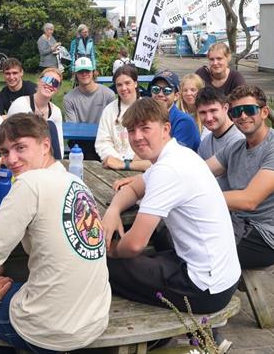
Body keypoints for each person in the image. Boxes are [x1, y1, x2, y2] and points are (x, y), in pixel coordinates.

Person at [0, 113, 111, 353]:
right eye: (4, 152)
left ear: (46, 145)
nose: (10, 159)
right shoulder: (77, 182)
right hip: (94, 320)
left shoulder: (29, 183)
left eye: (20, 147)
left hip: (50, 332)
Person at [102, 98, 240, 314]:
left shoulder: (168, 170)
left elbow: (135, 245)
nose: (137, 137)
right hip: (223, 276)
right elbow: (135, 188)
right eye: (131, 130)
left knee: (99, 263)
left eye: (145, 128)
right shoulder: (179, 155)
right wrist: (113, 210)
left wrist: (111, 252)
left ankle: (153, 337)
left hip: (204, 289)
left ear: (165, 128)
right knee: (155, 242)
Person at [206, 85, 274, 270]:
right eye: (236, 112)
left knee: (188, 250)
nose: (243, 116)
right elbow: (198, 171)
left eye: (249, 110)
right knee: (171, 234)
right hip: (235, 224)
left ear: (264, 112)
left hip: (263, 240)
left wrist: (193, 197)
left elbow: (249, 200)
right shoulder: (236, 148)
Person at [95, 64, 151, 172]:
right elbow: (103, 142)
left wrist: (134, 161)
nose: (123, 88)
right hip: (114, 166)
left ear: (135, 83)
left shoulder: (148, 108)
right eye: (119, 85)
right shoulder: (109, 110)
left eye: (127, 83)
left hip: (143, 166)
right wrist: (118, 161)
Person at [64, 57, 116, 160]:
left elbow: (112, 123)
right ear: (76, 75)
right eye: (80, 71)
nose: (84, 74)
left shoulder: (109, 94)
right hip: (79, 142)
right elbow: (73, 130)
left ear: (93, 72)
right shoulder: (69, 98)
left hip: (104, 138)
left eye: (87, 71)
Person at [7, 67, 65, 159]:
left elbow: (59, 145)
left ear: (57, 89)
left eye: (55, 83)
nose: (49, 84)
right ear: (39, 81)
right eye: (47, 79)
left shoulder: (56, 112)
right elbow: (10, 138)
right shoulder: (20, 104)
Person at [149, 70, 201, 152]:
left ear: (176, 96)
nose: (160, 94)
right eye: (156, 89)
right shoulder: (147, 116)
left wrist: (127, 165)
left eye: (167, 90)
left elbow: (173, 157)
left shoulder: (184, 122)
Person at [195, 86, 244, 162]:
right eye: (203, 112)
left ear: (225, 108)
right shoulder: (205, 143)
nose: (209, 118)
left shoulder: (240, 139)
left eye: (213, 111)